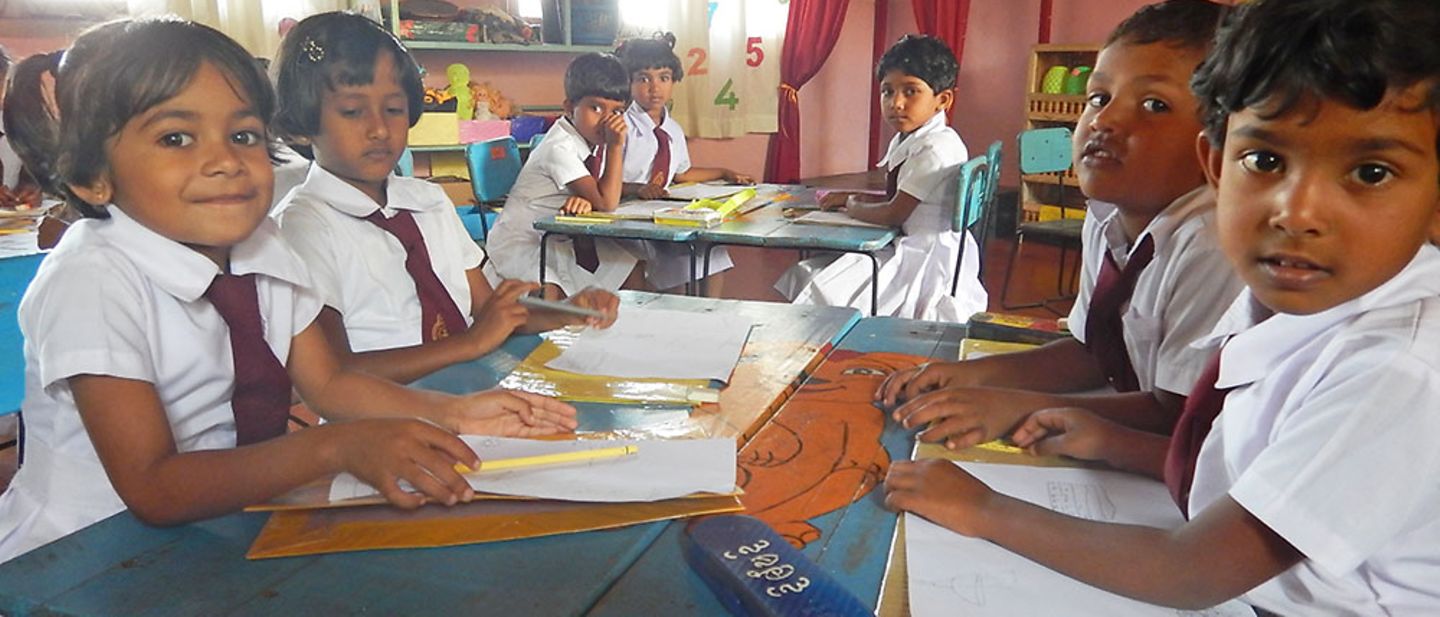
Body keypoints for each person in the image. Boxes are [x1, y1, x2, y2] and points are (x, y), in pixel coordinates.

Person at [886, 0, 1440, 612]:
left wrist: (982, 508)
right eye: (1265, 160)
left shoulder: (1399, 365)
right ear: (1218, 165)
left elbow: (1193, 571)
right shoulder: (1288, 303)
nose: (1297, 212)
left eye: (1370, 172)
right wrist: (1109, 441)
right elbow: (1238, 458)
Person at [0, 17, 577, 564]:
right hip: (84, 554)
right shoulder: (94, 278)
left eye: (243, 134)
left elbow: (329, 382)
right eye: (177, 137)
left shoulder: (263, 245)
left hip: (223, 521)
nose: (225, 160)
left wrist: (457, 413)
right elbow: (153, 486)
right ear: (91, 177)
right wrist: (336, 448)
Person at [878, 0, 1240, 456]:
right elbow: (1092, 352)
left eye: (1154, 104)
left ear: (1225, 142)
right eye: (1099, 97)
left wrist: (1019, 408)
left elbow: (1179, 417)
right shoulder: (1106, 216)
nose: (1105, 120)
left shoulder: (1211, 243)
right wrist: (971, 375)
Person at [272, 13, 617, 385]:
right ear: (300, 124)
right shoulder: (301, 225)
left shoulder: (428, 202)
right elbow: (333, 375)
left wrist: (564, 311)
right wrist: (470, 344)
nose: (378, 128)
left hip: (473, 391)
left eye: (393, 108)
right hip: (384, 421)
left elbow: (487, 310)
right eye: (352, 111)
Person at [773, 34, 985, 323]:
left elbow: (894, 213)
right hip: (912, 245)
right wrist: (859, 199)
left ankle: (823, 349)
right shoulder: (912, 138)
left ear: (942, 100)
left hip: (922, 261)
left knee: (820, 286)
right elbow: (903, 198)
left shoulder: (935, 148)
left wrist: (851, 205)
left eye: (911, 91)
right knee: (809, 274)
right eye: (887, 91)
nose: (896, 103)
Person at [483, 52, 641, 300]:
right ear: (569, 107)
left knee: (631, 266)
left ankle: (630, 335)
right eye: (596, 107)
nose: (607, 121)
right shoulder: (559, 147)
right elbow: (607, 203)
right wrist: (616, 147)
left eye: (617, 112)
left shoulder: (582, 140)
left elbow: (597, 194)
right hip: (522, 242)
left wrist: (592, 198)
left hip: (557, 238)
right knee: (552, 291)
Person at [614, 33, 753, 296]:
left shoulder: (673, 129)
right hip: (624, 215)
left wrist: (725, 172)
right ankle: (662, 314)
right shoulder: (621, 127)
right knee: (642, 262)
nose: (655, 88)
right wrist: (637, 188)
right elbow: (602, 180)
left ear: (674, 81)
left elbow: (682, 174)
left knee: (711, 250)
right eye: (643, 79)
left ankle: (710, 313)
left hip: (659, 214)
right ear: (628, 83)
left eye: (664, 78)